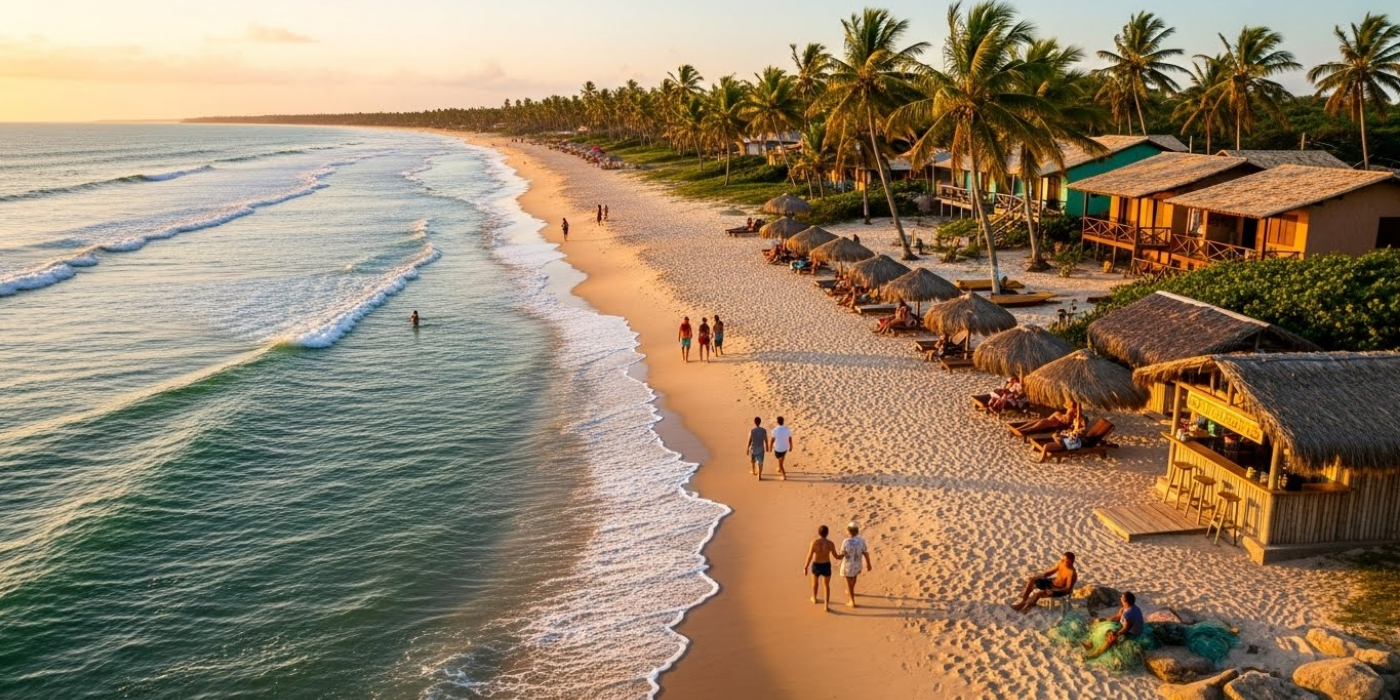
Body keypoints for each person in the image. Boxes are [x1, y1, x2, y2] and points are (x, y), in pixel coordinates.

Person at [1084, 592, 1145, 659]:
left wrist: (1116, 633)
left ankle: (1095, 655)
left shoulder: (1128, 613)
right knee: (1102, 625)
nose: (1121, 598)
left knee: (1111, 637)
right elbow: (1117, 618)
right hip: (1123, 627)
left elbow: (1126, 628)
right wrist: (1103, 620)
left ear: (1126, 601)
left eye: (1122, 598)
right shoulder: (1125, 608)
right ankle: (1090, 645)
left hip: (1132, 633)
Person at [1010, 552, 1077, 613]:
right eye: (1063, 559)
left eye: (1066, 561)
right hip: (1052, 582)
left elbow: (1068, 588)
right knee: (1032, 580)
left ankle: (1027, 606)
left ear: (1071, 562)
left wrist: (1053, 590)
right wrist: (1040, 576)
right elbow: (1050, 572)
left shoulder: (1071, 573)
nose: (1063, 561)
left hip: (1059, 589)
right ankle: (1024, 600)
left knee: (1039, 593)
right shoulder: (1061, 563)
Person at [833, 522, 872, 607]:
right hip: (857, 564)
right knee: (854, 579)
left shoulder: (846, 542)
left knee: (848, 583)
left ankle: (852, 601)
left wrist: (835, 555)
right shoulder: (861, 540)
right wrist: (868, 564)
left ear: (848, 531)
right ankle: (849, 591)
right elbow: (865, 553)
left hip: (848, 566)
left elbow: (842, 555)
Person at [803, 524, 837, 611]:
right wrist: (843, 555)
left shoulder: (814, 542)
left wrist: (806, 567)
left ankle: (814, 598)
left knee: (815, 583)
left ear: (819, 533)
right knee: (826, 586)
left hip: (816, 565)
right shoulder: (830, 543)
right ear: (827, 533)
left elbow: (809, 556)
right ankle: (826, 605)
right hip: (826, 565)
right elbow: (836, 556)